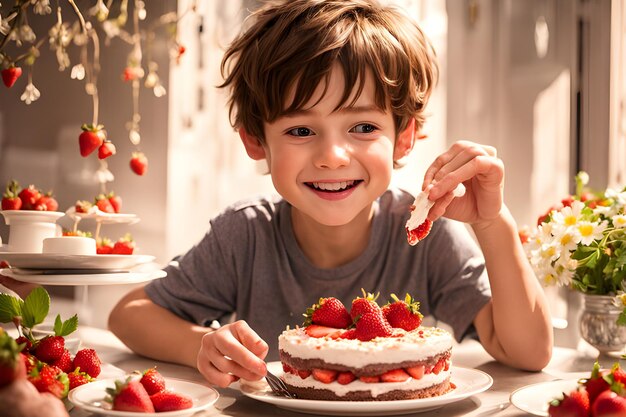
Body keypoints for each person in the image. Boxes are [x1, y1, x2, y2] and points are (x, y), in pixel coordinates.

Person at [2, 0, 553, 389]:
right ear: (254, 140)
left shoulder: (424, 234)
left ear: (403, 137)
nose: (332, 155)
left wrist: (492, 221)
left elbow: (528, 353)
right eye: (299, 130)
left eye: (362, 127)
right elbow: (130, 313)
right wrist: (199, 344)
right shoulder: (245, 234)